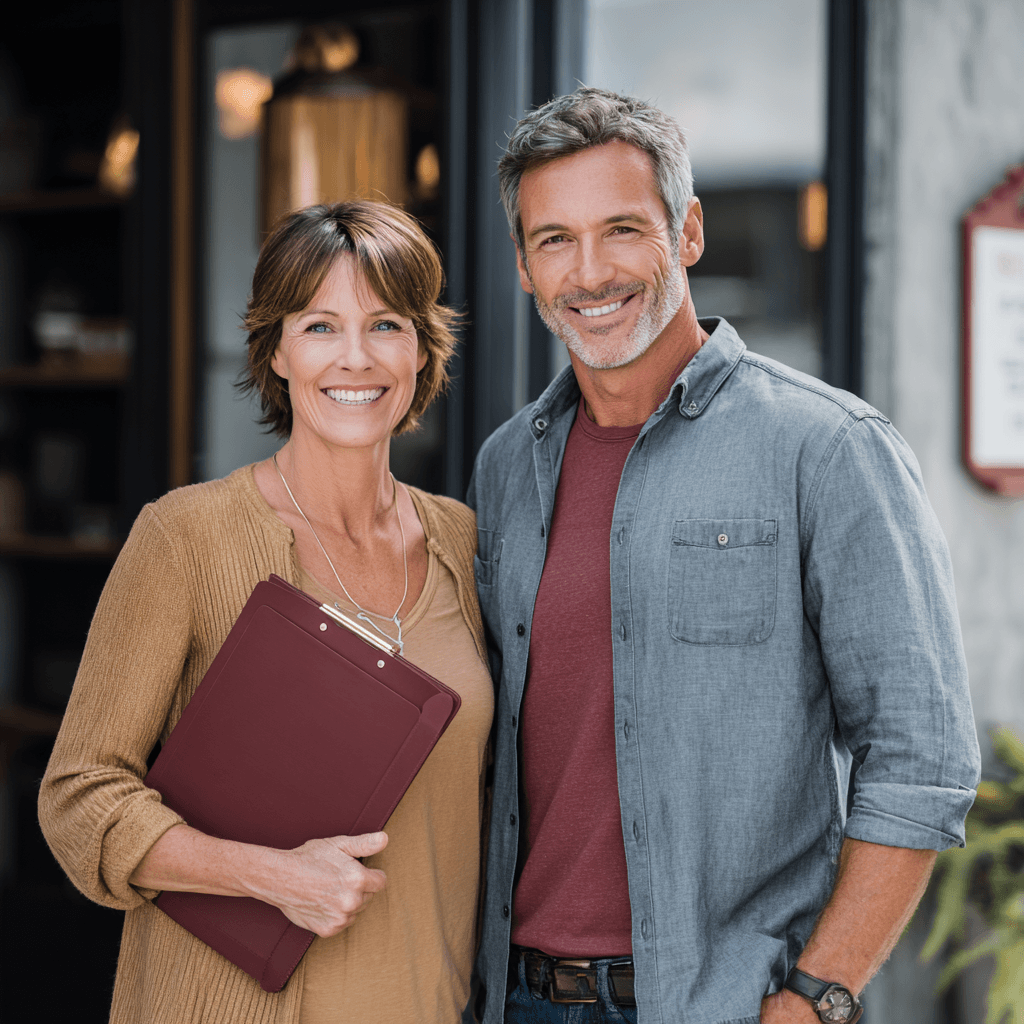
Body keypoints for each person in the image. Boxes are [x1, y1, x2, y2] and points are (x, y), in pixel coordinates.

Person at [466, 87, 980, 1024]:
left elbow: (921, 757)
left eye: (622, 229)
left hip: (725, 1006)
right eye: (554, 240)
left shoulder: (826, 448)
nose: (589, 272)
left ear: (688, 231)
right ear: (525, 265)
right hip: (519, 998)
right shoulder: (507, 467)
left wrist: (816, 998)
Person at [39, 200, 494, 1024]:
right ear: (276, 350)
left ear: (423, 347)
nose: (355, 358)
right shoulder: (185, 537)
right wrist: (272, 876)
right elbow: (78, 798)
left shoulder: (462, 540)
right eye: (320, 326)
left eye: (386, 324)